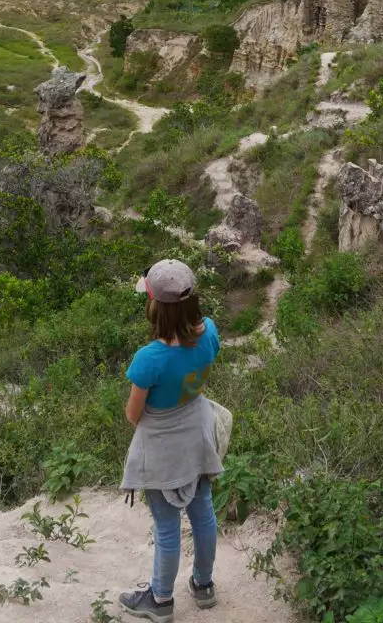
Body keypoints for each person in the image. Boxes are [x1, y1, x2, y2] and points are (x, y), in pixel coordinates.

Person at [119, 259, 224, 623]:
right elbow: (205, 356)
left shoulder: (149, 358)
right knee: (203, 513)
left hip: (163, 448)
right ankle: (204, 584)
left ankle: (160, 600)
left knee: (167, 528)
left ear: (155, 306)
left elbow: (133, 415)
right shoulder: (209, 331)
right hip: (197, 434)